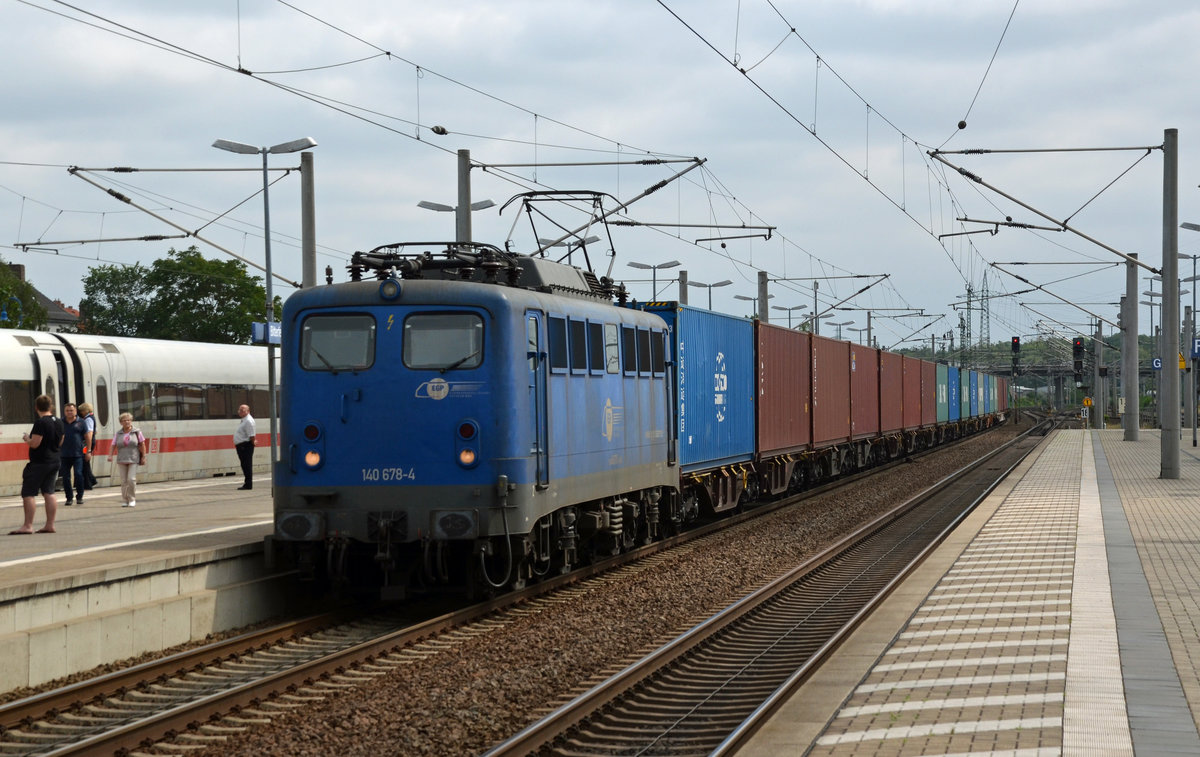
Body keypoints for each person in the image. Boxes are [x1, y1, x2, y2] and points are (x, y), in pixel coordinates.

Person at [10, 394, 64, 534]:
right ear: (50, 406)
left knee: (28, 493)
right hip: (55, 460)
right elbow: (61, 441)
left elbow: (35, 444)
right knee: (49, 492)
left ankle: (28, 525)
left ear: (36, 407)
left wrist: (27, 439)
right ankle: (50, 524)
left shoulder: (41, 423)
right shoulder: (58, 421)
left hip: (40, 462)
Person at [107, 412, 146, 507]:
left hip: (133, 458)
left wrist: (143, 457)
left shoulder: (137, 432)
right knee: (124, 481)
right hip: (122, 459)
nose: (127, 422)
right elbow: (113, 445)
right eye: (124, 421)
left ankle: (132, 499)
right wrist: (110, 455)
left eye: (128, 420)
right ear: (121, 423)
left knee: (131, 479)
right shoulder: (118, 433)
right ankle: (125, 500)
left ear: (131, 421)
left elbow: (142, 445)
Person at [59, 403, 87, 506]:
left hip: (78, 454)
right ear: (64, 411)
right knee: (66, 477)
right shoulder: (60, 422)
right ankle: (69, 498)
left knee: (78, 474)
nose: (69, 412)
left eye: (71, 410)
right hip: (64, 454)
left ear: (75, 411)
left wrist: (88, 451)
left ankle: (79, 496)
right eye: (67, 410)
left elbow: (87, 437)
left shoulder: (81, 422)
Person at [234, 404, 256, 490]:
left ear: (248, 411)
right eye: (239, 410)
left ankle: (248, 484)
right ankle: (247, 483)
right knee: (244, 465)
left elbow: (251, 435)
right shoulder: (244, 420)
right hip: (243, 446)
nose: (240, 412)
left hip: (245, 446)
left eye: (243, 410)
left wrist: (253, 442)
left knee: (247, 465)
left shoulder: (248, 421)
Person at [78, 402, 97, 490]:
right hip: (87, 443)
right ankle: (91, 480)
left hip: (86, 444)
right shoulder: (91, 418)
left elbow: (89, 433)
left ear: (85, 410)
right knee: (85, 462)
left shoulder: (88, 419)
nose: (81, 413)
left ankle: (88, 483)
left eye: (82, 411)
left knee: (85, 461)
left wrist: (88, 449)